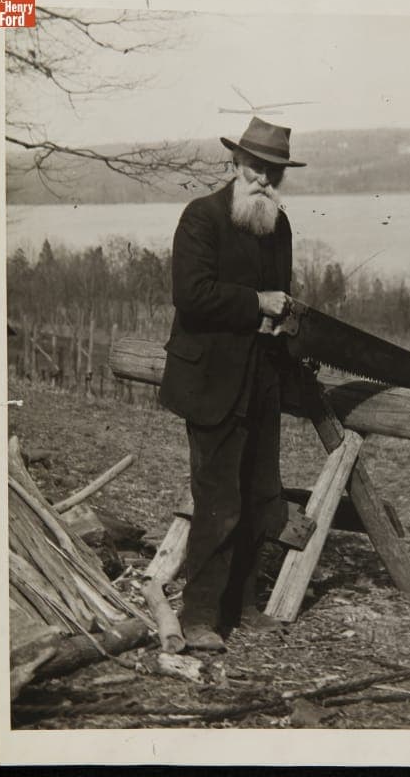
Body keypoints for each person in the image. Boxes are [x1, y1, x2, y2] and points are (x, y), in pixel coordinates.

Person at [160, 117, 306, 651]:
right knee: (218, 500)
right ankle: (199, 617)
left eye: (274, 172)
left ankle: (240, 607)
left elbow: (279, 294)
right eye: (256, 167)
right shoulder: (201, 218)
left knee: (258, 497)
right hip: (211, 383)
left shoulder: (278, 226)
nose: (264, 179)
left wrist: (281, 317)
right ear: (235, 164)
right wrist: (257, 305)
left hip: (261, 381)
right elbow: (191, 295)